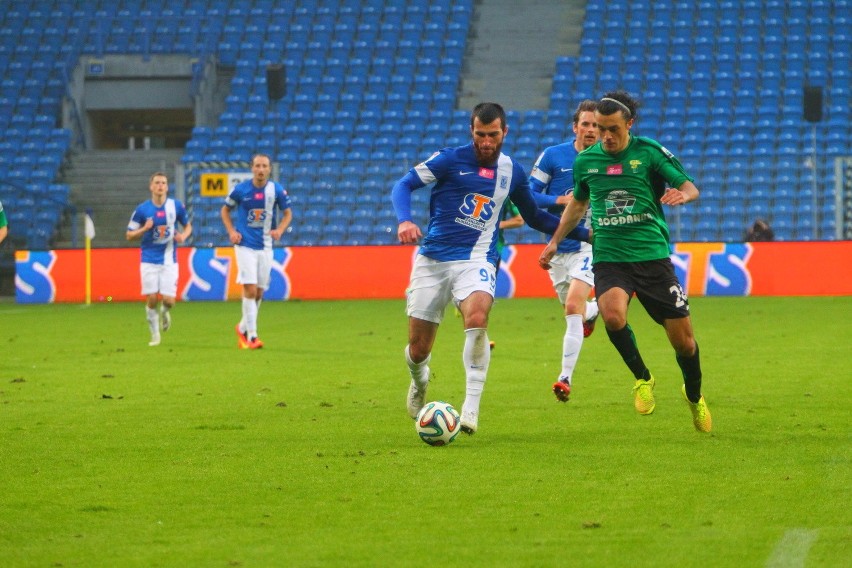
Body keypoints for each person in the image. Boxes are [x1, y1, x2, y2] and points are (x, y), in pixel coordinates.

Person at [392, 102, 590, 435]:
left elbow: (535, 216)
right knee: (418, 348)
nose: (486, 142)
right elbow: (403, 185)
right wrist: (404, 220)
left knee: (478, 318)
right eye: (481, 135)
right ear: (472, 131)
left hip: (477, 259)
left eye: (493, 135)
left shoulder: (512, 171)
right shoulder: (449, 159)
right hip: (433, 260)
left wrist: (586, 234)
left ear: (504, 133)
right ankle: (420, 378)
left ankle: (470, 409)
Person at [539, 90, 712, 432]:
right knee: (613, 316)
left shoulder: (648, 152)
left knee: (684, 342)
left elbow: (690, 186)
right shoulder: (586, 161)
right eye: (601, 129)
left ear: (629, 124)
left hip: (651, 257)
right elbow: (577, 205)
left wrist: (684, 194)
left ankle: (694, 397)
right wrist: (555, 242)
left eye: (613, 129)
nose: (606, 136)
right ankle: (643, 379)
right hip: (610, 256)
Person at [528, 99, 601, 402]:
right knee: (576, 312)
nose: (591, 130)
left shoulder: (608, 159)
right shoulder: (553, 156)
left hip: (589, 244)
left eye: (596, 125)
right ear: (575, 127)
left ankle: (565, 378)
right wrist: (560, 202)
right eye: (585, 124)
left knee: (573, 307)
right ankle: (595, 309)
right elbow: (529, 196)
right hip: (558, 250)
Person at [220, 153, 292, 350]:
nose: (261, 170)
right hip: (245, 246)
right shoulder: (241, 190)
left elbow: (288, 213)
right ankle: (252, 336)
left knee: (259, 292)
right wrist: (232, 231)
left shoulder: (276, 190)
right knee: (250, 289)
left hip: (266, 246)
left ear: (269, 169)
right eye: (257, 166)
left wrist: (280, 230)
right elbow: (225, 210)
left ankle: (242, 327)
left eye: (264, 166)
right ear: (252, 168)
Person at [126, 172, 192, 347]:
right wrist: (144, 229)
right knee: (152, 298)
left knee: (169, 301)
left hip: (169, 259)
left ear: (167, 187)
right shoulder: (142, 210)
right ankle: (155, 335)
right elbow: (129, 235)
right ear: (151, 186)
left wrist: (184, 236)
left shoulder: (176, 206)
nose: (160, 186)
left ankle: (164, 313)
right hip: (148, 259)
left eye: (163, 182)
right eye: (157, 183)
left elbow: (188, 225)